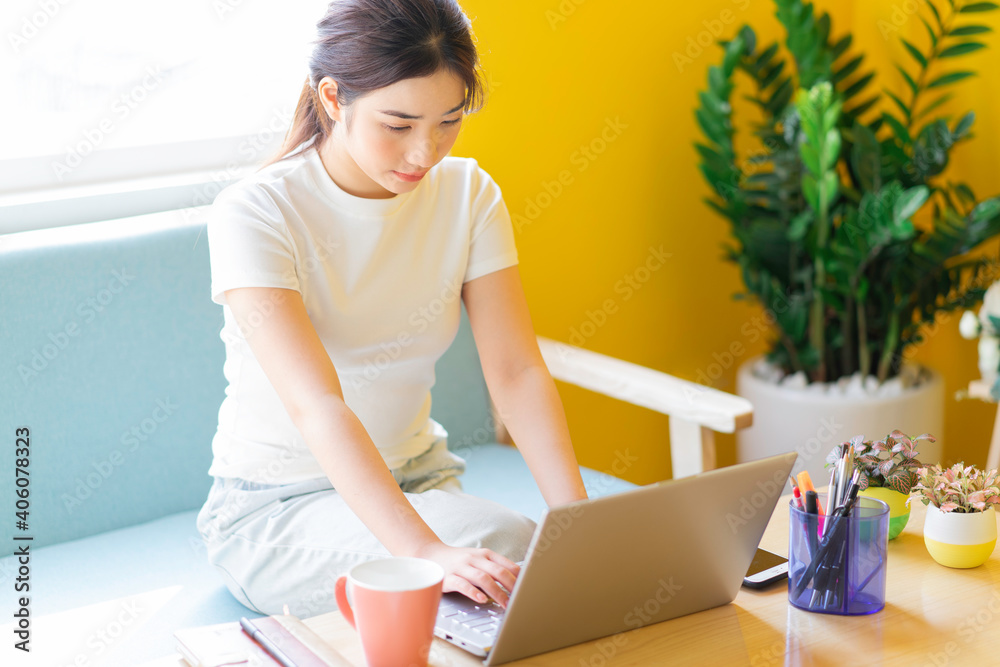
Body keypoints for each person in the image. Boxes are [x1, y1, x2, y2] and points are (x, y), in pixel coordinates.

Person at [195, 0, 589, 619]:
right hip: (273, 510)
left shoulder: (469, 194)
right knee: (505, 553)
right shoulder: (256, 213)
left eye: (449, 121)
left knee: (546, 563)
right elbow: (317, 403)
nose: (424, 152)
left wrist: (580, 523)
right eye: (398, 125)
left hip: (419, 481)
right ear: (332, 97)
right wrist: (424, 549)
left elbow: (516, 371)